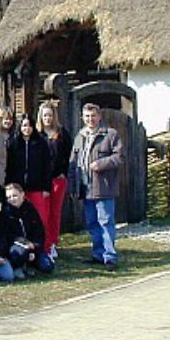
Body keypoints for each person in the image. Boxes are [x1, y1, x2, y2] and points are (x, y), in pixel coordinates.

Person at [69, 103, 123, 271]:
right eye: (87, 116)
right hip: (85, 187)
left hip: (103, 187)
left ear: (99, 117)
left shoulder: (110, 134)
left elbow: (120, 157)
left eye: (93, 116)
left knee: (106, 222)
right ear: (82, 118)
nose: (90, 119)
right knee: (92, 223)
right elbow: (72, 163)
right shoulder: (79, 136)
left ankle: (110, 257)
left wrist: (101, 163)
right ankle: (98, 254)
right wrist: (73, 186)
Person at [5, 113, 52, 249]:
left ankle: (44, 248)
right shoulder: (13, 142)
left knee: (41, 218)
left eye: (30, 125)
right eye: (24, 125)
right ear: (20, 127)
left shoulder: (41, 143)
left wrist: (46, 188)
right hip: (18, 187)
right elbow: (9, 166)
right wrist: (8, 186)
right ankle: (20, 247)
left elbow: (47, 166)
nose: (27, 128)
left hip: (37, 187)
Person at [37, 101, 72, 259]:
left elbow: (70, 155)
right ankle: (42, 243)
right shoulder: (36, 134)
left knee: (55, 213)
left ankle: (52, 244)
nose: (47, 118)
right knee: (42, 213)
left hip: (58, 180)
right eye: (45, 115)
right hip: (40, 181)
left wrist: (64, 173)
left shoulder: (62, 134)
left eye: (50, 115)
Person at [3, 183, 54, 279]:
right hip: (17, 247)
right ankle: (17, 266)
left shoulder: (30, 209)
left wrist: (34, 246)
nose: (12, 199)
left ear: (22, 194)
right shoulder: (5, 213)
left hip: (33, 246)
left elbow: (39, 231)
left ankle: (31, 265)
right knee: (19, 253)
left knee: (48, 267)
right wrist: (24, 243)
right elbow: (7, 235)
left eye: (14, 195)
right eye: (9, 197)